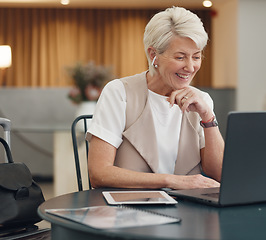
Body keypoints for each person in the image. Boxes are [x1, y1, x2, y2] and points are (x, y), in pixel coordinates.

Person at [86, 6, 224, 190]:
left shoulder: (202, 99)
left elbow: (220, 173)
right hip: (130, 210)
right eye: (181, 57)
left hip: (190, 212)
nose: (191, 67)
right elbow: (99, 173)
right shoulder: (119, 92)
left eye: (196, 57)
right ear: (154, 55)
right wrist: (171, 181)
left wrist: (208, 117)